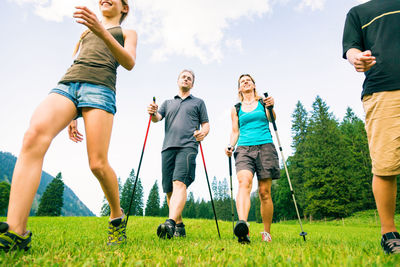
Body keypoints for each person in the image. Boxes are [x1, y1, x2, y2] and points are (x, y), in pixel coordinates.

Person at [0, 0, 137, 252]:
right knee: (32, 136)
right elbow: (77, 60)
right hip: (68, 85)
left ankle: (116, 216)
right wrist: (72, 115)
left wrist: (101, 30)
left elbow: (129, 62)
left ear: (124, 7)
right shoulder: (84, 32)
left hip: (100, 88)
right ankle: (15, 231)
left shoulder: (127, 33)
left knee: (97, 163)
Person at [343, 0, 400, 254]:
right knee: (385, 165)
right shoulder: (358, 13)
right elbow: (351, 49)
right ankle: (390, 234)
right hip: (382, 89)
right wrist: (357, 59)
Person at [147, 69, 210, 239]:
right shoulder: (168, 103)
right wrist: (152, 112)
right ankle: (179, 226)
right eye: (183, 77)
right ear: (178, 81)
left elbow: (206, 125)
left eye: (189, 78)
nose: (186, 79)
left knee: (179, 183)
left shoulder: (198, 102)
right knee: (168, 189)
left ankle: (170, 223)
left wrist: (203, 133)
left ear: (192, 84)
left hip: (188, 146)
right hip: (167, 147)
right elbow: (156, 118)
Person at [225, 74, 280, 244]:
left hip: (265, 146)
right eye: (242, 81)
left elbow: (272, 119)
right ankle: (243, 227)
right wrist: (230, 145)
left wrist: (271, 106)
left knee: (264, 192)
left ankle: (266, 233)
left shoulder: (263, 102)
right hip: (244, 148)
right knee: (244, 182)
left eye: (248, 80)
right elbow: (235, 131)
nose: (245, 82)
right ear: (239, 88)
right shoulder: (236, 108)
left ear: (254, 85)